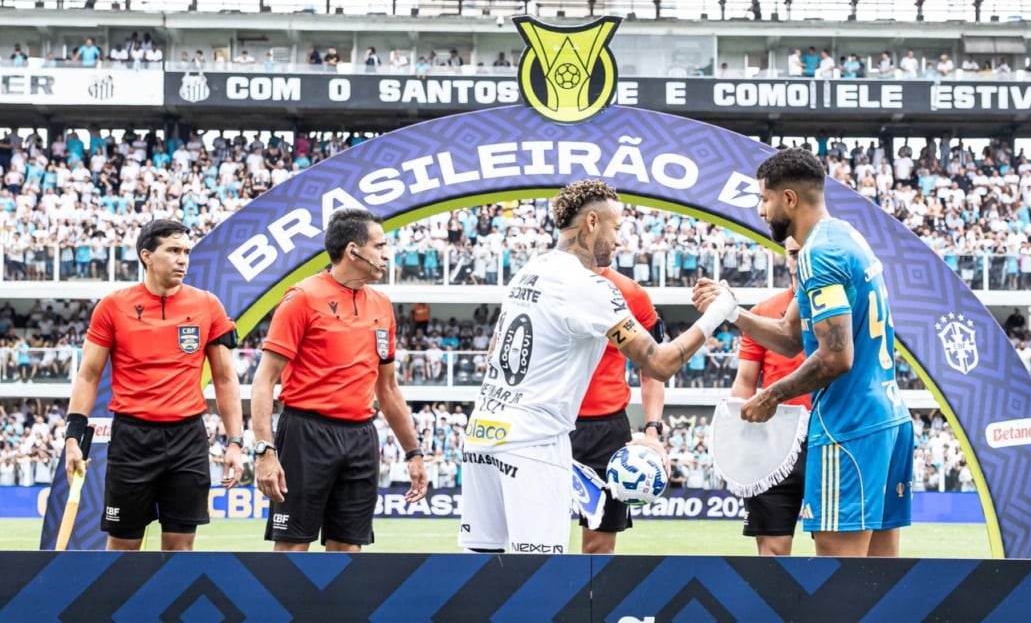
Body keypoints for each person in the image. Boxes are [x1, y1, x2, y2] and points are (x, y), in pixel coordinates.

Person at [458, 179, 737, 556]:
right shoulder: (589, 286)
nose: (619, 240)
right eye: (616, 228)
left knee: (479, 565)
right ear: (592, 222)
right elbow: (660, 363)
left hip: (482, 431)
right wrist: (720, 311)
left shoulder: (529, 270)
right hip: (533, 440)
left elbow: (494, 351)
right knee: (539, 572)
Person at [694, 148, 914, 558]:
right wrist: (733, 311)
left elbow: (836, 358)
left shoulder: (818, 253)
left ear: (789, 199)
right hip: (888, 418)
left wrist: (771, 395)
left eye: (765, 199)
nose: (761, 210)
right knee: (882, 577)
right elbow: (790, 335)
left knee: (838, 577)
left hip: (848, 427)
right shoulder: (845, 237)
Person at [250, 207, 428, 552]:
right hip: (305, 433)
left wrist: (414, 453)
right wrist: (264, 451)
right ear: (353, 251)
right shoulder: (302, 297)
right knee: (292, 548)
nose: (386, 254)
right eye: (379, 245)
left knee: (349, 551)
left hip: (361, 437)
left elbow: (388, 388)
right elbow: (264, 380)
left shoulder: (382, 305)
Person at [63, 219, 245, 551]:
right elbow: (88, 375)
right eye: (173, 251)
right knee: (123, 549)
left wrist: (235, 442)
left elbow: (225, 378)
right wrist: (73, 437)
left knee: (180, 550)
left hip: (187, 438)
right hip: (132, 439)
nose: (182, 259)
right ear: (147, 256)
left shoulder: (207, 305)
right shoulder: (113, 306)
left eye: (186, 251)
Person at [573, 264, 666, 554]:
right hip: (549, 422)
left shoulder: (632, 294)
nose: (615, 242)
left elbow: (653, 367)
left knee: (599, 547)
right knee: (536, 540)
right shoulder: (547, 280)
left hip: (606, 430)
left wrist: (653, 430)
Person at [728, 237, 810, 556]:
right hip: (774, 440)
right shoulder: (762, 312)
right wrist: (738, 439)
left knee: (835, 554)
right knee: (772, 555)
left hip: (828, 436)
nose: (798, 260)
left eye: (805, 252)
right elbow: (744, 383)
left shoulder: (842, 309)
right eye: (792, 253)